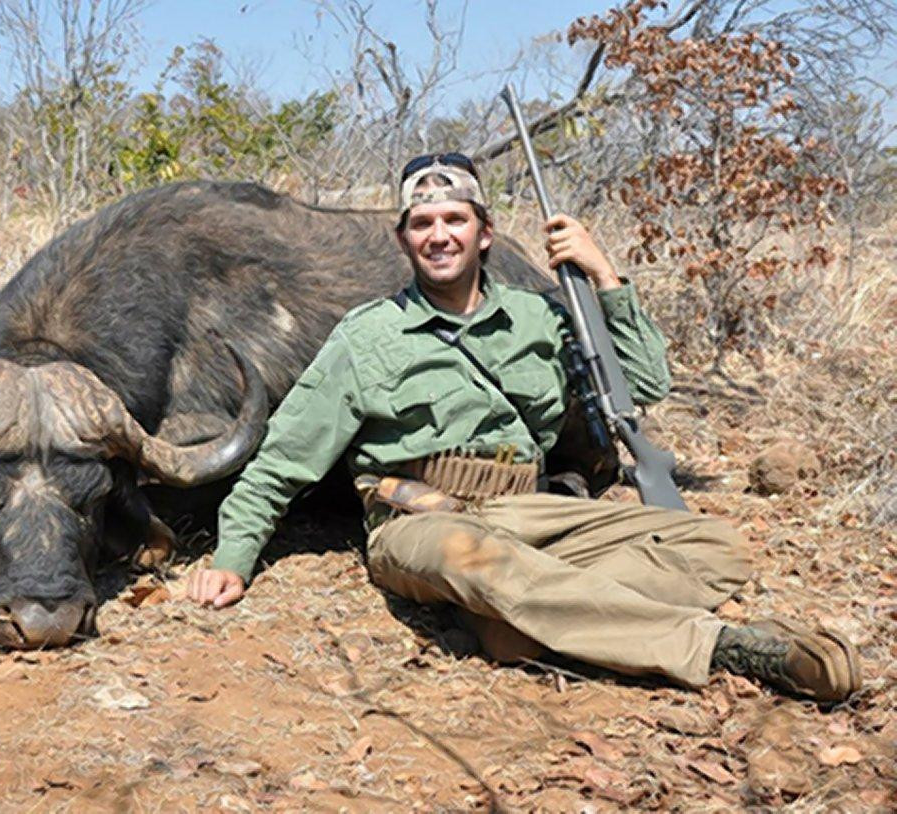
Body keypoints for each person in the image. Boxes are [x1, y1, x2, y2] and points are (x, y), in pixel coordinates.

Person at [186, 152, 861, 703]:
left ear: (485, 233)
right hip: (420, 522)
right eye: (421, 222)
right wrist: (231, 560)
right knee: (476, 560)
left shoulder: (541, 317)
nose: (438, 235)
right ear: (403, 240)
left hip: (528, 508)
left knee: (713, 546)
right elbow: (283, 460)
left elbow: (645, 384)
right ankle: (724, 646)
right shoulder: (366, 336)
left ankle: (521, 618)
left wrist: (604, 275)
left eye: (455, 218)